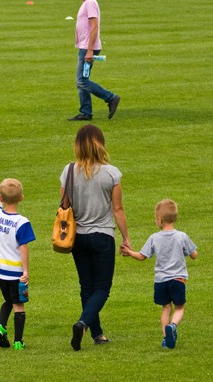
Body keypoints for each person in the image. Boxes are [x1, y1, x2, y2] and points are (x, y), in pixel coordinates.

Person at [64, 124, 129, 351]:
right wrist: (126, 238)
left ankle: (97, 333)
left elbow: (65, 205)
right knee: (102, 288)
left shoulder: (69, 171)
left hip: (77, 237)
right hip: (102, 236)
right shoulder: (112, 173)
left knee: (86, 287)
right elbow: (117, 210)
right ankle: (83, 324)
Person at [120, 199, 198, 350]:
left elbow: (142, 256)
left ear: (159, 219)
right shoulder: (182, 236)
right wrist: (191, 252)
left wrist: (129, 252)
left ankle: (165, 339)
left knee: (166, 308)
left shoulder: (154, 238)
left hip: (160, 280)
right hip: (178, 279)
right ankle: (173, 326)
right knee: (180, 307)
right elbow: (194, 255)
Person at [0, 178, 35, 351]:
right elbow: (23, 247)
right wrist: (25, 270)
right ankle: (18, 342)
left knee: (8, 299)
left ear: (1, 198)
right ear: (21, 198)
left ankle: (1, 326)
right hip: (15, 272)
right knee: (18, 304)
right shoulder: (21, 222)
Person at [68, 0, 120, 121]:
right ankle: (85, 112)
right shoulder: (87, 2)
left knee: (82, 81)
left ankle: (111, 97)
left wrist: (90, 50)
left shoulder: (90, 3)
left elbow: (94, 26)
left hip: (88, 47)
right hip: (85, 46)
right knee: (82, 80)